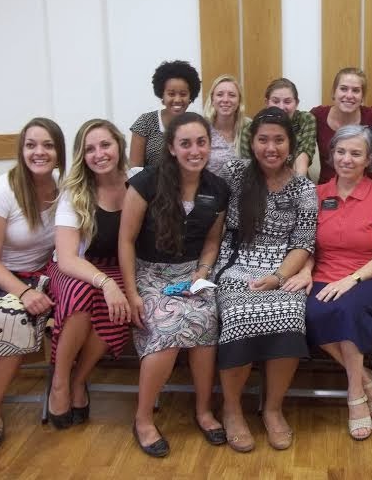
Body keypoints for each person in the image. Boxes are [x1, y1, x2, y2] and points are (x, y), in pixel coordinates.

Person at [119, 112, 229, 457]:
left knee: (206, 322)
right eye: (185, 143)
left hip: (192, 274)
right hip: (149, 274)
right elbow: (126, 240)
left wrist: (204, 270)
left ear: (209, 145)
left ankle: (203, 410)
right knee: (169, 330)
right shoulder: (145, 183)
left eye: (201, 142)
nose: (194, 150)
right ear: (171, 147)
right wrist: (132, 293)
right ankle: (142, 419)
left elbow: (212, 241)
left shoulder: (218, 189)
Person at [214, 107, 318, 453]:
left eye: (278, 140)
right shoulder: (234, 173)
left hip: (282, 266)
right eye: (263, 140)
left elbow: (303, 243)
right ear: (252, 142)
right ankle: (232, 409)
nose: (270, 148)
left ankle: (272, 408)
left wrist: (278, 277)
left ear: (290, 144)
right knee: (238, 316)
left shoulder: (304, 187)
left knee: (290, 313)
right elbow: (213, 221)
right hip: (235, 263)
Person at [290, 125, 372, 441]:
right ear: (331, 155)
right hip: (324, 274)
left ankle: (355, 396)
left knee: (347, 310)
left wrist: (351, 280)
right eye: (341, 152)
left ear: (368, 159)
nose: (347, 159)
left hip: (370, 275)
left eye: (355, 153)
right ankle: (366, 380)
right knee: (305, 313)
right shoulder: (317, 193)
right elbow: (307, 243)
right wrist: (306, 270)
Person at [0, 118, 66, 453]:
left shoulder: (64, 189)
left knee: (13, 317)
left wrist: (29, 291)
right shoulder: (1, 190)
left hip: (32, 275)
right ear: (21, 151)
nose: (39, 152)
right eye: (31, 145)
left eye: (48, 145)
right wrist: (23, 292)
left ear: (59, 151)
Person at [45, 119, 130, 430]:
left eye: (105, 145)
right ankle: (59, 381)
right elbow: (67, 258)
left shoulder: (137, 182)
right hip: (75, 266)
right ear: (82, 156)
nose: (99, 154)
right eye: (90, 149)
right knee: (82, 293)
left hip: (118, 266)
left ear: (119, 145)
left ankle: (79, 379)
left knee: (120, 302)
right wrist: (105, 283)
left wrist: (113, 284)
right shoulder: (75, 191)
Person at [310, 67, 372, 183]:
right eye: (343, 89)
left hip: (364, 188)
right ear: (334, 92)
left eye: (355, 90)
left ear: (362, 96)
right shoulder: (317, 116)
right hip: (327, 189)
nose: (349, 95)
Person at [129, 60, 202, 168]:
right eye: (171, 94)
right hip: (150, 179)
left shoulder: (196, 122)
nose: (177, 100)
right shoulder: (145, 122)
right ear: (162, 95)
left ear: (190, 97)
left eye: (183, 94)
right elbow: (135, 169)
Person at [239, 78, 317, 176]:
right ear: (267, 103)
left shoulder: (305, 120)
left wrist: (296, 185)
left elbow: (303, 158)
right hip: (259, 180)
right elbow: (250, 167)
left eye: (287, 102)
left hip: (297, 179)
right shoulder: (250, 129)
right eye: (275, 101)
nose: (281, 107)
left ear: (296, 103)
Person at [202, 74, 251, 175]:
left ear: (239, 101)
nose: (225, 100)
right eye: (220, 95)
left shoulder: (249, 127)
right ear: (212, 99)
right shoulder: (202, 128)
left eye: (232, 95)